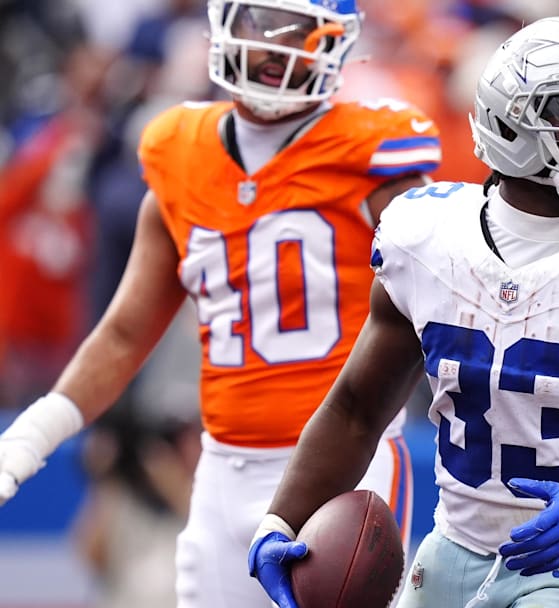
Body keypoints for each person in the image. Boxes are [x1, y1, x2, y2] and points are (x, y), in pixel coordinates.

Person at [247, 16, 559, 608]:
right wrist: (282, 521)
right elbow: (356, 409)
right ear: (510, 120)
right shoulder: (425, 237)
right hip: (451, 549)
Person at [0, 1, 441, 606]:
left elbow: (442, 302)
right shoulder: (179, 149)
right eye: (257, 22)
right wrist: (31, 434)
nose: (270, 47)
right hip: (220, 468)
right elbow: (127, 332)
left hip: (344, 466)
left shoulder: (375, 151)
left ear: (336, 42)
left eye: (292, 29)